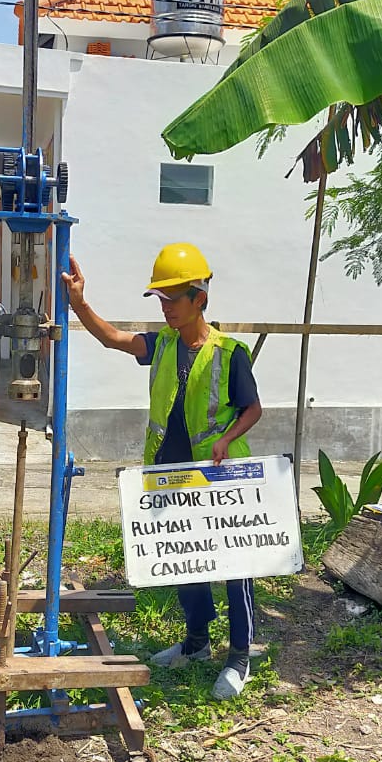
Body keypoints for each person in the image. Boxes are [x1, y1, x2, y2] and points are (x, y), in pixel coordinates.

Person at [61, 242, 263, 700]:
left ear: (201, 300)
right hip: (170, 474)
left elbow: (253, 408)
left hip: (220, 477)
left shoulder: (230, 353)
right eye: (162, 300)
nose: (167, 309)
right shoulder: (163, 344)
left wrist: (229, 439)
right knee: (186, 560)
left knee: (235, 565)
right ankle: (196, 642)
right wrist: (80, 303)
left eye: (175, 300)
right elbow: (113, 338)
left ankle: (239, 656)